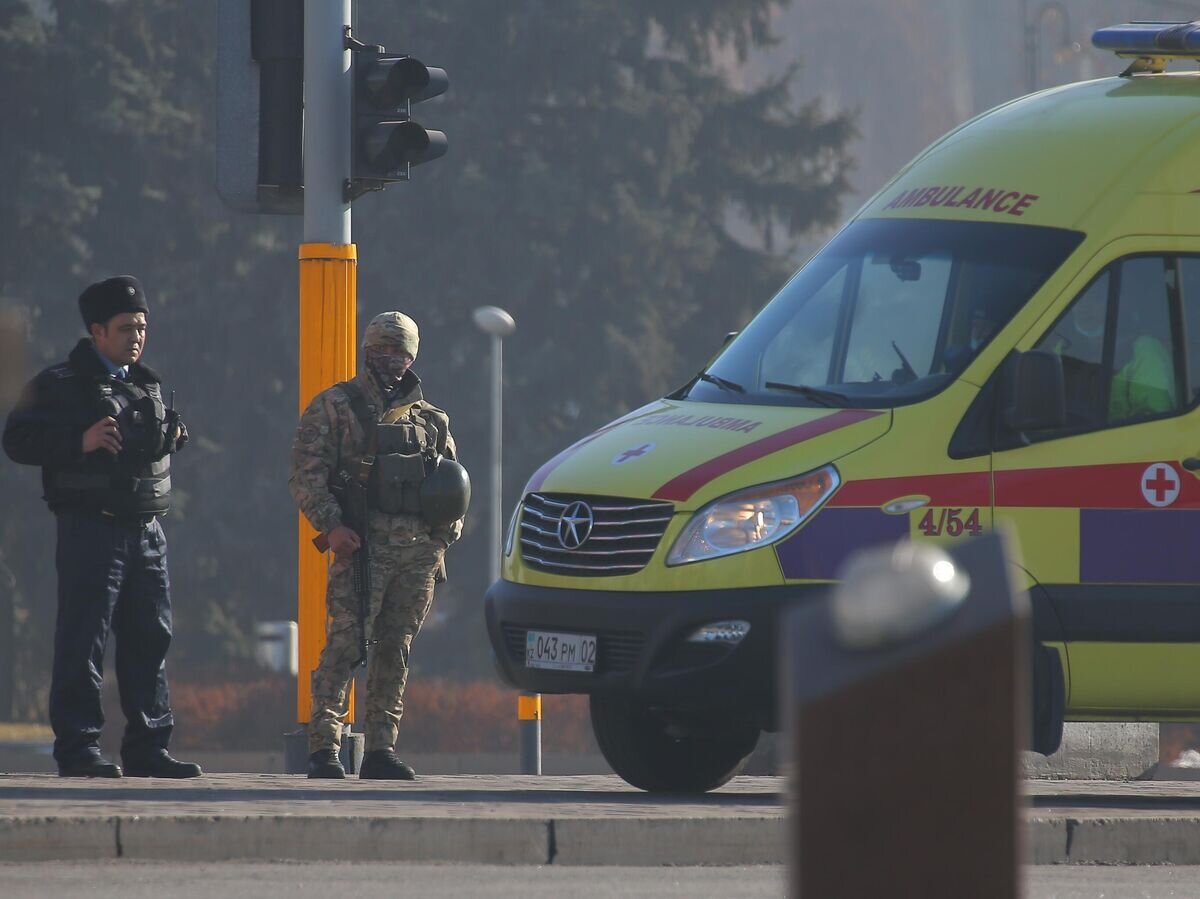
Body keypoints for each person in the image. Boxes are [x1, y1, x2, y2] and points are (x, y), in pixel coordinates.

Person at [2, 276, 199, 778]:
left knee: (151, 638)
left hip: (147, 529)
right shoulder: (59, 384)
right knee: (84, 639)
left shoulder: (145, 382)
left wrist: (171, 434)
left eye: (142, 326)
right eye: (126, 327)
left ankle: (148, 747)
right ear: (97, 331)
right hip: (92, 528)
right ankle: (79, 747)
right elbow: (17, 440)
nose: (137, 336)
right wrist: (79, 440)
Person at [290, 312, 467, 780]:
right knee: (345, 646)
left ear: (413, 356)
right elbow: (306, 474)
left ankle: (381, 749)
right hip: (360, 547)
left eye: (401, 351)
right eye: (383, 349)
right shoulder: (335, 406)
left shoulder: (432, 420)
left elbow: (454, 488)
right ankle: (324, 746)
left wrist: (440, 544)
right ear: (367, 351)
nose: (392, 359)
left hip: (416, 552)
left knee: (396, 648)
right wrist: (332, 528)